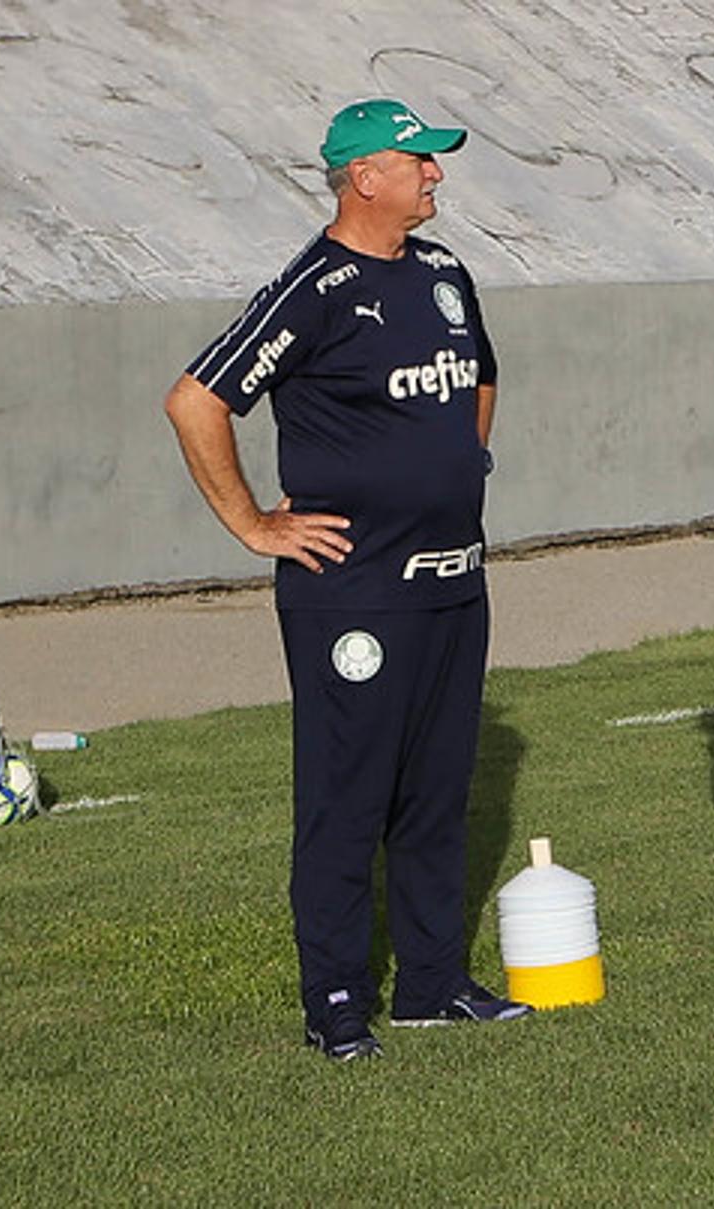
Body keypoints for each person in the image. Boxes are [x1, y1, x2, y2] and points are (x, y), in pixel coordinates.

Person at [164, 98, 530, 1061]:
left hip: (455, 582)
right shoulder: (315, 288)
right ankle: (335, 998)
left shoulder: (446, 275)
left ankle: (433, 981)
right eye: (421, 162)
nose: (436, 176)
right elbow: (196, 399)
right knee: (348, 796)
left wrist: (463, 462)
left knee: (438, 791)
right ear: (366, 176)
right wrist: (253, 523)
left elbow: (482, 374)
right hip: (353, 595)